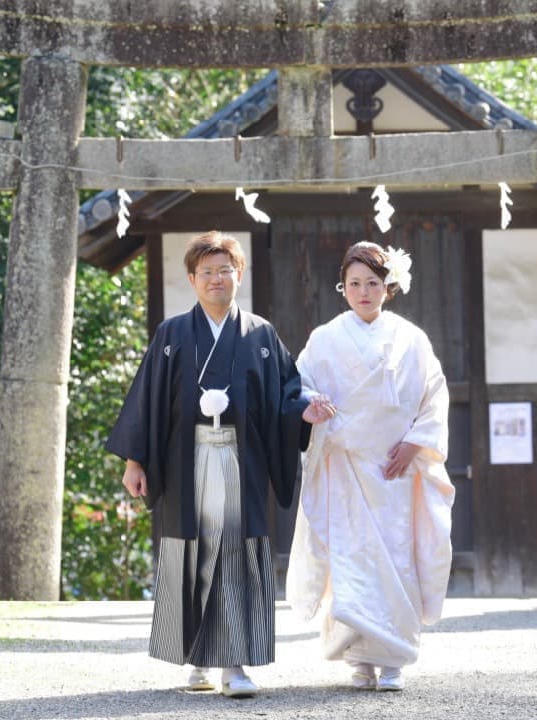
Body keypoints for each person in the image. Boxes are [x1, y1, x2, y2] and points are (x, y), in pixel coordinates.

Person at [105, 231, 333, 698]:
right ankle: (197, 656)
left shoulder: (260, 334)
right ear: (192, 278)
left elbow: (286, 392)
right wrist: (135, 460)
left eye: (224, 270)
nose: (216, 279)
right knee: (192, 553)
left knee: (235, 552)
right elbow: (147, 399)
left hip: (238, 458)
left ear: (239, 275)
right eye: (206, 272)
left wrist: (303, 411)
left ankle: (234, 664)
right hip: (184, 460)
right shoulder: (172, 334)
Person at [285, 241, 455, 692]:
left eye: (373, 283)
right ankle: (359, 658)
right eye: (355, 284)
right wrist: (310, 408)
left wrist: (416, 443)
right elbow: (299, 385)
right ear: (343, 287)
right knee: (351, 561)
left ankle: (394, 657)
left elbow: (433, 396)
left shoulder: (411, 338)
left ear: (388, 287)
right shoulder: (324, 339)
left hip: (392, 466)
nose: (363, 292)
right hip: (344, 464)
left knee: (396, 558)